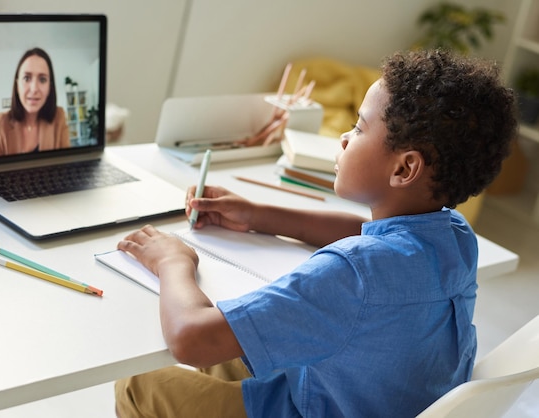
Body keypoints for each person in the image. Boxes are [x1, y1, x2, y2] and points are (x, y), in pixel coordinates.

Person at [113, 49, 517, 417]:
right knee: (240, 340)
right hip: (376, 400)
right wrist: (258, 215)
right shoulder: (456, 236)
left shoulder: (352, 275)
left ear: (403, 169)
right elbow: (366, 235)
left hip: (308, 407)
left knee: (138, 382)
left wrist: (173, 261)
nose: (344, 137)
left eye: (358, 128)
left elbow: (190, 338)